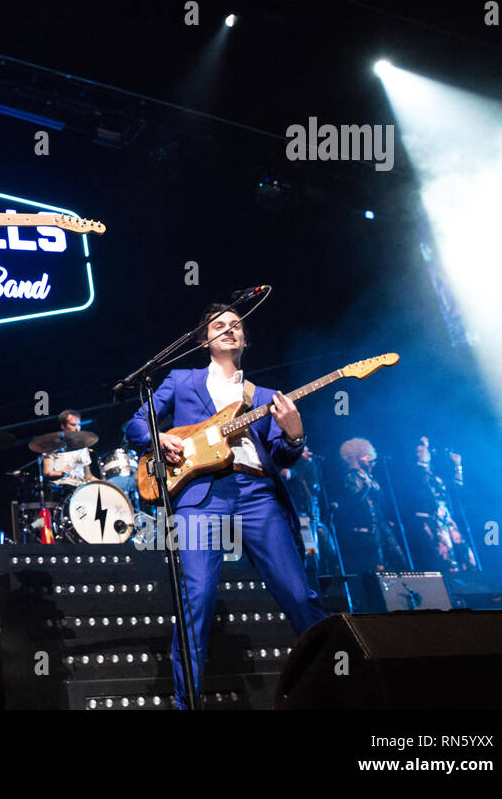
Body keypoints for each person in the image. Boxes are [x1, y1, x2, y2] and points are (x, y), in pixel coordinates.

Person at [125, 303, 328, 708]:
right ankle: (188, 704)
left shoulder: (265, 396)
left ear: (244, 339)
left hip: (256, 495)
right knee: (196, 599)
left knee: (298, 593)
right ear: (204, 340)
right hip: (202, 496)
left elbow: (282, 456)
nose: (230, 331)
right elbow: (134, 424)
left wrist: (294, 436)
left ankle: (335, 686)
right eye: (220, 326)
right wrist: (158, 438)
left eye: (236, 326)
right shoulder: (181, 379)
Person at [402, 436, 476, 573]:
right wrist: (422, 462)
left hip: (447, 521)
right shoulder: (412, 474)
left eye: (426, 447)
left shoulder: (437, 476)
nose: (425, 450)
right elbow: (417, 485)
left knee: (467, 557)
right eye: (420, 449)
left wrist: (457, 466)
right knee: (448, 561)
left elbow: (457, 487)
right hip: (431, 521)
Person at [332, 437, 407, 572]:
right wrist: (366, 487)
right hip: (364, 526)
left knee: (397, 555)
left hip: (380, 523)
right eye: (365, 456)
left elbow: (382, 500)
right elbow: (353, 499)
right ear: (357, 458)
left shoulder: (371, 477)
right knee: (376, 562)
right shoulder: (352, 476)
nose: (369, 459)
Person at [40, 409, 94, 487]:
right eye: (73, 424)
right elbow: (46, 472)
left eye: (79, 424)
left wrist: (104, 483)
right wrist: (60, 474)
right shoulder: (53, 445)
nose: (77, 428)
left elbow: (88, 476)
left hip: (81, 489)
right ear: (63, 426)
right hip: (61, 487)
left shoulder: (83, 447)